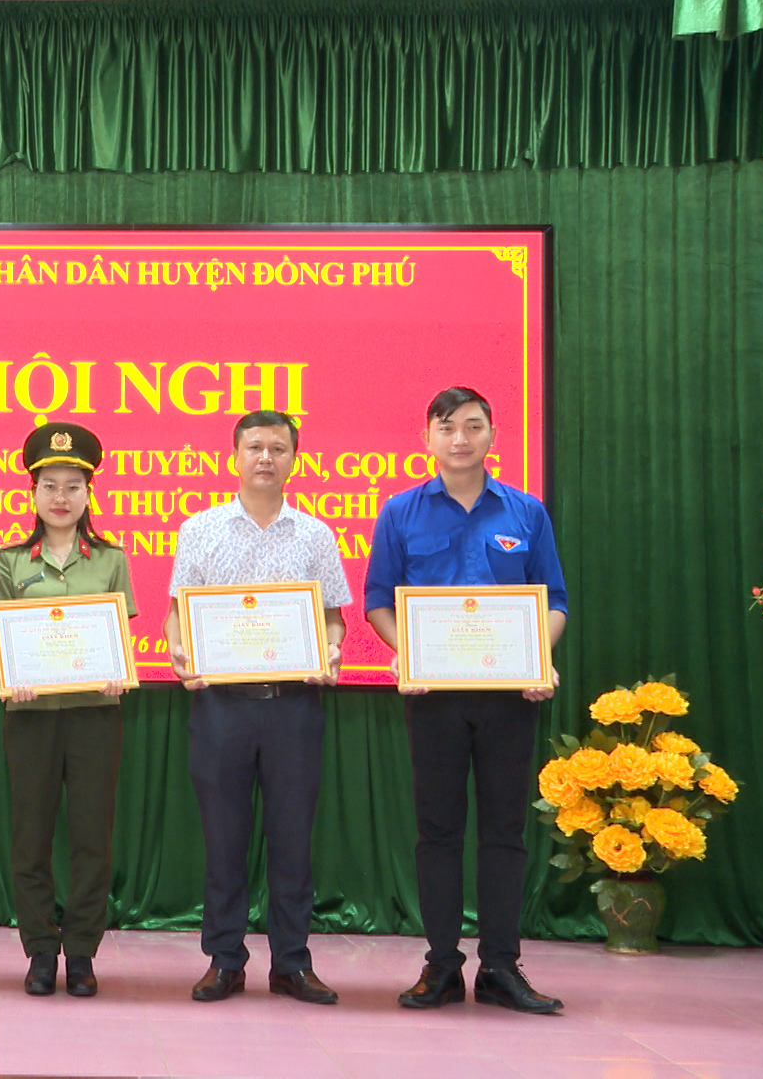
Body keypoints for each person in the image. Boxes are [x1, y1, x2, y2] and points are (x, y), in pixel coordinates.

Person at [365, 386, 568, 1014]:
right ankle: (441, 966)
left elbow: (554, 601)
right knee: (438, 831)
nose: (460, 438)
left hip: (510, 697)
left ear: (492, 436)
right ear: (427, 437)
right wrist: (408, 652)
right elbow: (378, 600)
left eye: (473, 426)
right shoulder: (400, 512)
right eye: (447, 426)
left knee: (506, 830)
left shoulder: (526, 513)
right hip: (434, 698)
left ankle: (501, 967)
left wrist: (538, 656)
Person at [165, 410, 352, 1006]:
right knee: (224, 841)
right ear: (235, 457)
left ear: (295, 458)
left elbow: (333, 619)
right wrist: (178, 649)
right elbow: (178, 613)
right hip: (221, 707)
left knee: (292, 840)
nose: (266, 457)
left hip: (293, 705)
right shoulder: (199, 530)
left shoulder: (316, 535)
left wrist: (331, 650)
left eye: (278, 448)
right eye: (255, 447)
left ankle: (292, 963)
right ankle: (224, 960)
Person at [0, 422, 133, 998]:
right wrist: (13, 680)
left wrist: (114, 667)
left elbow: (117, 633)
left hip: (96, 714)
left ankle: (83, 951)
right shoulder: (9, 562)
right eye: (50, 485)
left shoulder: (111, 559)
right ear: (33, 493)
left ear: (89, 494)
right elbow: (2, 638)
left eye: (73, 486)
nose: (61, 497)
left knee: (92, 838)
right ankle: (41, 951)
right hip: (31, 717)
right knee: (31, 838)